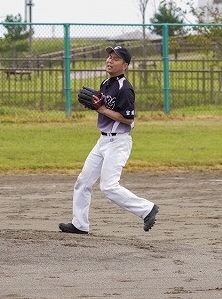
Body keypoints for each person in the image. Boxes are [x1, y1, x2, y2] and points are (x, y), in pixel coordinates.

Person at [59, 45, 159, 235]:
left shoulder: (125, 88)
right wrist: (95, 106)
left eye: (116, 58)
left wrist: (102, 109)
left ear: (125, 65)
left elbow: (128, 119)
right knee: (83, 181)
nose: (110, 61)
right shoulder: (106, 83)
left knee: (109, 186)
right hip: (103, 141)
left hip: (118, 142)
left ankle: (147, 209)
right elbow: (103, 108)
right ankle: (79, 224)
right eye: (110, 57)